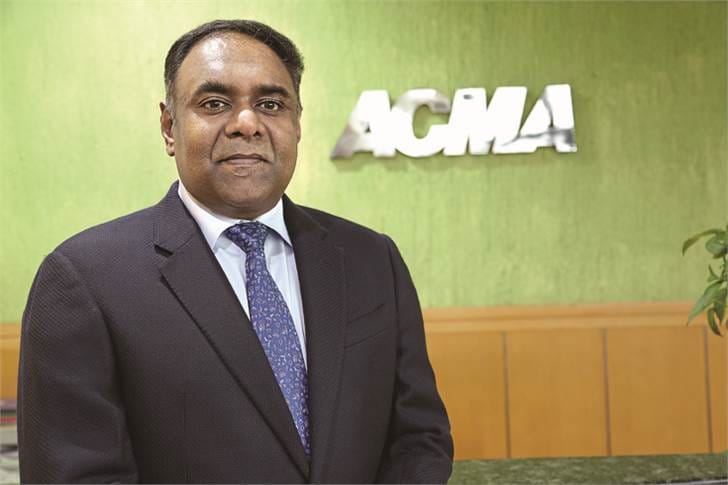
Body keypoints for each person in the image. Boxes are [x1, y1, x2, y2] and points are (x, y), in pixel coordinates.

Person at [17, 19, 453, 484]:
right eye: (214, 103)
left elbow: (418, 438)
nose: (247, 124)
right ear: (169, 127)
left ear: (297, 124)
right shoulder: (84, 279)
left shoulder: (372, 259)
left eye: (271, 104)